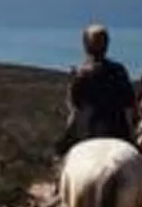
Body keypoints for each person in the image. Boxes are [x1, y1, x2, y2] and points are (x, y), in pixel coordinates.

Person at [56, 23, 137, 155]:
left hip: (89, 133)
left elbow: (74, 108)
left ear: (86, 45)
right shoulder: (119, 70)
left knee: (62, 152)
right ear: (107, 45)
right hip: (119, 132)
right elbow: (129, 105)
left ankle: (60, 156)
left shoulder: (82, 73)